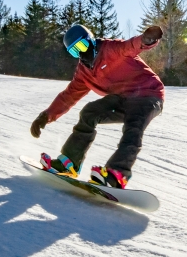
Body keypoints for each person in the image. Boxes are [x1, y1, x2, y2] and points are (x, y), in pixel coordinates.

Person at [30, 24, 165, 189]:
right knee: (89, 113)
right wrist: (46, 116)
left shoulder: (110, 49)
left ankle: (117, 175)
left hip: (148, 95)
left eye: (82, 45)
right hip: (122, 98)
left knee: (134, 125)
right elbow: (69, 95)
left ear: (90, 40)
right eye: (74, 51)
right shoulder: (84, 71)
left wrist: (146, 40)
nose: (80, 52)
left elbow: (130, 46)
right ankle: (70, 163)